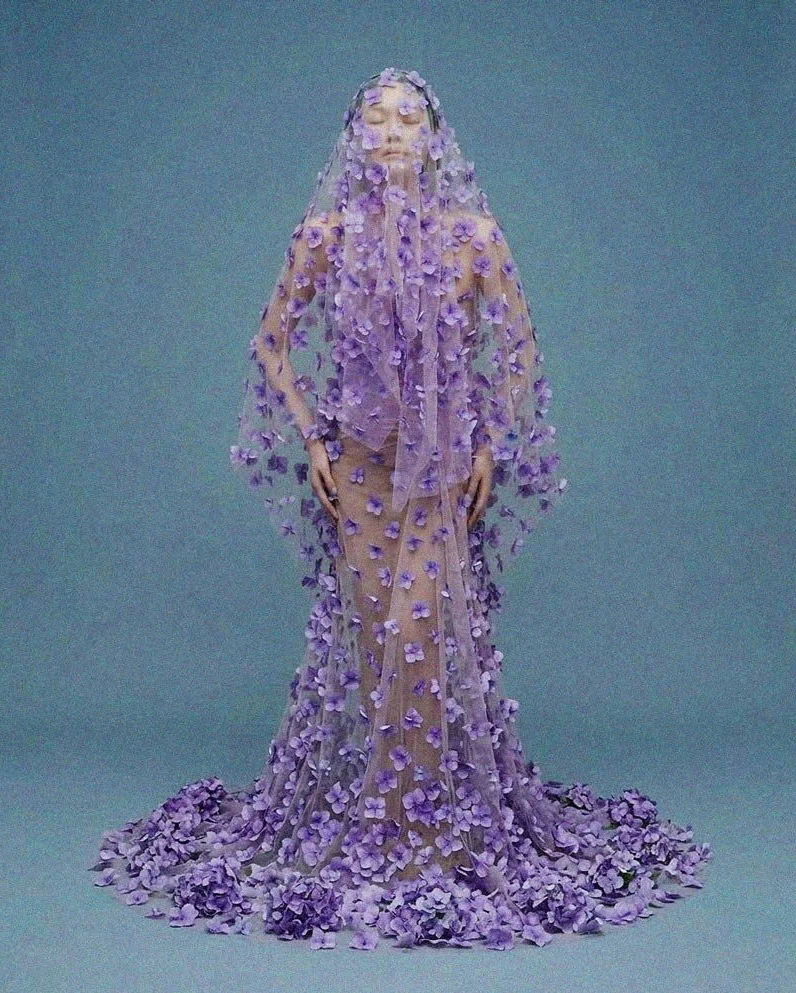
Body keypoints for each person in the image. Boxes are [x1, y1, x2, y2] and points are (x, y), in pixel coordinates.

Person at [91, 68, 712, 949]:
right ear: (354, 136)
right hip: (359, 470)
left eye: (407, 118)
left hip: (443, 470)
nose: (391, 132)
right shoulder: (325, 237)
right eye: (376, 119)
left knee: (420, 636)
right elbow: (271, 342)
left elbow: (520, 351)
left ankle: (416, 830)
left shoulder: (473, 238)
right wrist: (313, 439)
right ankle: (394, 820)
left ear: (432, 138)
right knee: (380, 638)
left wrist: (489, 442)